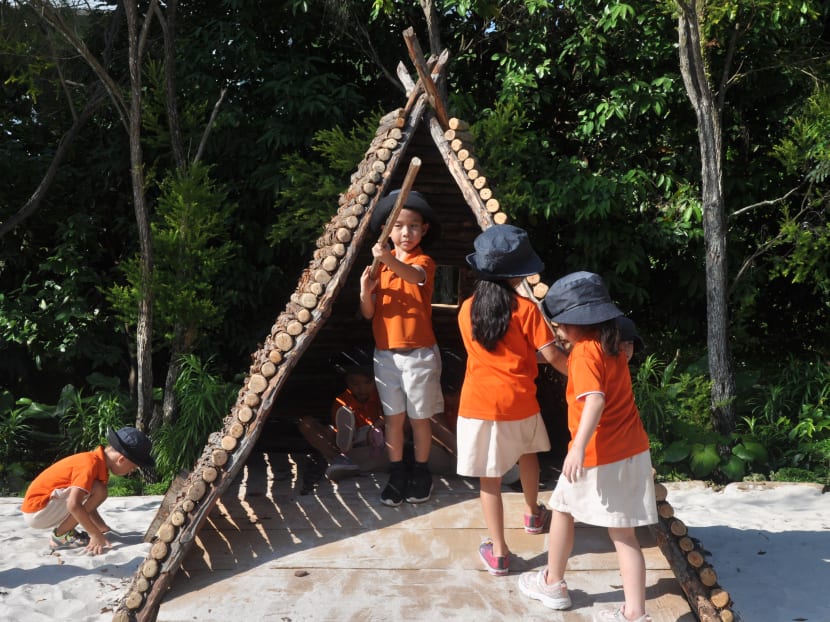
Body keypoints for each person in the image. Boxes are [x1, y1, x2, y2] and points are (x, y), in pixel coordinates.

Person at [519, 271, 657, 622]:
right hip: (632, 449)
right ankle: (634, 613)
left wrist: (577, 448)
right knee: (624, 534)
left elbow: (593, 400)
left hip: (597, 452)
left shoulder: (583, 354)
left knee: (562, 509)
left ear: (575, 324)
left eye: (561, 325)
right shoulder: (614, 349)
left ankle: (552, 583)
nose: (558, 330)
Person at [455, 224, 568, 576]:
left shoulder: (466, 310)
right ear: (518, 274)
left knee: (489, 479)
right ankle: (534, 514)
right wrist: (584, 374)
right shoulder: (527, 310)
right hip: (520, 402)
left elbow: (494, 354)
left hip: (478, 404)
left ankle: (500, 552)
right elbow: (550, 357)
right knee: (528, 454)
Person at [360, 189, 444, 506]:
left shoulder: (423, 261)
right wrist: (364, 291)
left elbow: (413, 276)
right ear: (387, 230)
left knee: (419, 418)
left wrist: (386, 258)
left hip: (419, 353)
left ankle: (421, 472)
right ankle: (397, 472)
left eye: (413, 226)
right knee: (394, 418)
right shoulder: (379, 267)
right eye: (398, 226)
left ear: (424, 230)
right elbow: (369, 313)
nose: (405, 232)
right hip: (385, 354)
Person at [21, 426, 154, 556]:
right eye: (133, 467)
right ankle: (60, 535)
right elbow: (73, 505)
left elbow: (88, 506)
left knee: (97, 490)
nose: (131, 472)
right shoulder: (89, 464)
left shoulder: (96, 463)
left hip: (42, 509)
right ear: (121, 459)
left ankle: (67, 531)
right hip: (37, 510)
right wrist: (94, 534)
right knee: (99, 490)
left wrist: (103, 529)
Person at [298, 363, 388, 482]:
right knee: (306, 424)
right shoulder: (341, 401)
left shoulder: (382, 395)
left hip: (377, 438)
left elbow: (393, 416)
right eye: (355, 384)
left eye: (367, 383)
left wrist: (376, 426)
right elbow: (337, 430)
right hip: (352, 440)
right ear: (347, 382)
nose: (362, 388)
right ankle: (341, 459)